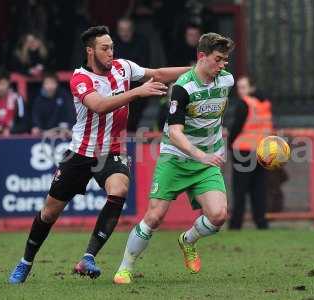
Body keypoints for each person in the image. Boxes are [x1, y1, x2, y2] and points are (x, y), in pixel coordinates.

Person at [8, 25, 190, 284]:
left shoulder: (123, 67)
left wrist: (195, 71)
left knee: (119, 190)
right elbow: (100, 106)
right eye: (105, 48)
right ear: (90, 51)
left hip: (112, 150)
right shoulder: (79, 79)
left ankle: (88, 258)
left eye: (112, 47)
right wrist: (137, 92)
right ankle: (25, 262)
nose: (111, 53)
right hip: (80, 154)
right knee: (49, 213)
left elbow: (158, 73)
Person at [113, 32, 235, 284]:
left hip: (206, 160)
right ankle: (125, 267)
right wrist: (201, 155)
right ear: (202, 57)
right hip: (177, 158)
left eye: (226, 60)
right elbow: (176, 133)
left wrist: (207, 155)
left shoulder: (227, 80)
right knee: (154, 216)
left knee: (219, 216)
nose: (223, 65)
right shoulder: (182, 87)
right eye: (219, 59)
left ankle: (187, 240)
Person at [228, 75, 272, 230]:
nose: (240, 91)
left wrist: (229, 145)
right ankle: (261, 223)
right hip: (262, 151)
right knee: (259, 189)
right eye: (239, 87)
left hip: (244, 151)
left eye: (243, 87)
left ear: (251, 88)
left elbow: (235, 128)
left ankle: (235, 225)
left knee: (240, 190)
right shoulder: (265, 104)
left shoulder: (244, 104)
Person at [0, 70, 28, 135]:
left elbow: (24, 123)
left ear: (9, 83)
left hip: (13, 137)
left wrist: (11, 130)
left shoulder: (18, 99)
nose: (0, 87)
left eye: (3, 84)